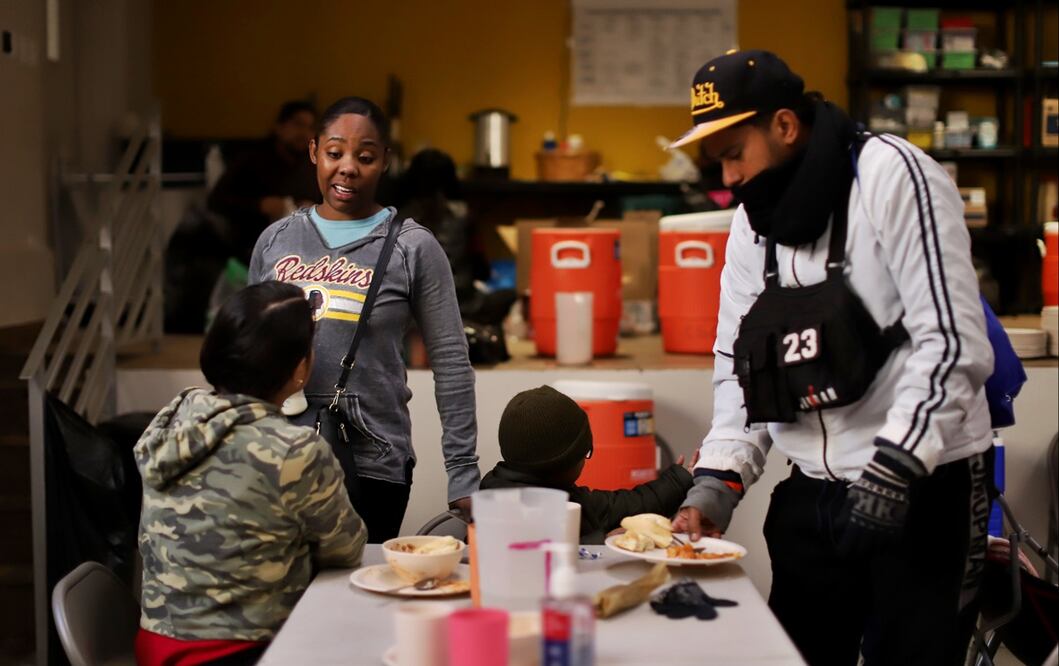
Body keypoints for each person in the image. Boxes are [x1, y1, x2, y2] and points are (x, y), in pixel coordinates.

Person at [668, 51, 993, 666]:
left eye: (735, 151)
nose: (729, 176)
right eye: (718, 160)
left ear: (785, 126)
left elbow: (951, 343)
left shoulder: (894, 178)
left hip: (925, 485)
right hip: (813, 492)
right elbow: (742, 362)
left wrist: (895, 468)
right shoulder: (751, 224)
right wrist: (718, 478)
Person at [249, 97, 480, 542]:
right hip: (278, 454)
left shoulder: (412, 248)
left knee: (358, 594)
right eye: (335, 153)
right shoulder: (276, 240)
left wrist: (463, 472)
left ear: (385, 162)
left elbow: (451, 361)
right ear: (315, 151)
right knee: (286, 597)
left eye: (366, 157)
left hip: (371, 460)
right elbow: (248, 354)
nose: (348, 167)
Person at [134, 281, 366, 666]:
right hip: (245, 652)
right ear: (300, 367)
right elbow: (347, 548)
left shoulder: (174, 416)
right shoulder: (293, 450)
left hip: (156, 645)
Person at [479, 386, 696, 544]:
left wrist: (678, 480)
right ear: (563, 464)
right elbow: (537, 551)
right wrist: (600, 540)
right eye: (585, 453)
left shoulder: (491, 488)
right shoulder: (518, 507)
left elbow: (623, 505)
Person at [208, 100, 321, 264]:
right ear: (279, 127)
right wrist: (259, 205)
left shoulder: (314, 166)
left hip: (301, 256)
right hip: (250, 252)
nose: (304, 133)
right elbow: (216, 202)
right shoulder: (252, 160)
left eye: (310, 128)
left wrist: (317, 211)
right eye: (298, 124)